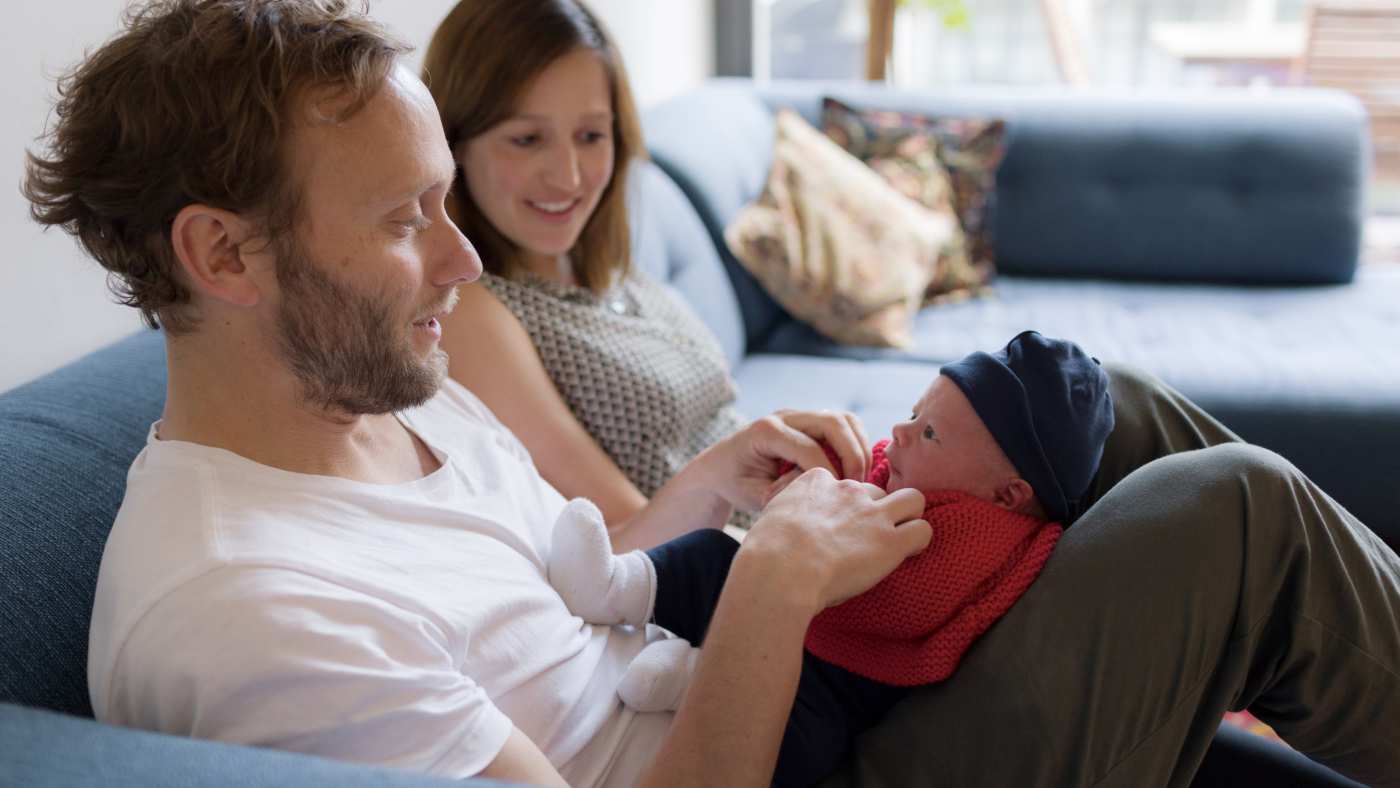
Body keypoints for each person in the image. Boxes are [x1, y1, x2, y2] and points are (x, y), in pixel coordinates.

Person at [22, 2, 1399, 788]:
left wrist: (708, 496)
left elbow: (570, 581)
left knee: (1112, 408)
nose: (461, 262)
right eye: (405, 222)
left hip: (784, 697)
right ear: (223, 252)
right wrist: (768, 594)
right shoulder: (250, 614)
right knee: (1237, 516)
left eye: (449, 206)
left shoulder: (389, 399)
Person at [547, 331, 1115, 787]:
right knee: (709, 556)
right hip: (791, 603)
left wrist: (813, 540)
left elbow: (899, 605)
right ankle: (613, 583)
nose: (900, 432)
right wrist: (816, 486)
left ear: (1008, 495)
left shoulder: (984, 541)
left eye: (931, 432)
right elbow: (840, 499)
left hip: (836, 681)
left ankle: (691, 675)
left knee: (805, 745)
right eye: (915, 413)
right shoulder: (906, 471)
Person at [422, 0, 763, 541]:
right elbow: (620, 534)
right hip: (735, 562)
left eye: (591, 136)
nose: (569, 177)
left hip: (782, 517)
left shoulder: (599, 264)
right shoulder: (472, 309)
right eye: (527, 139)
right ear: (452, 146)